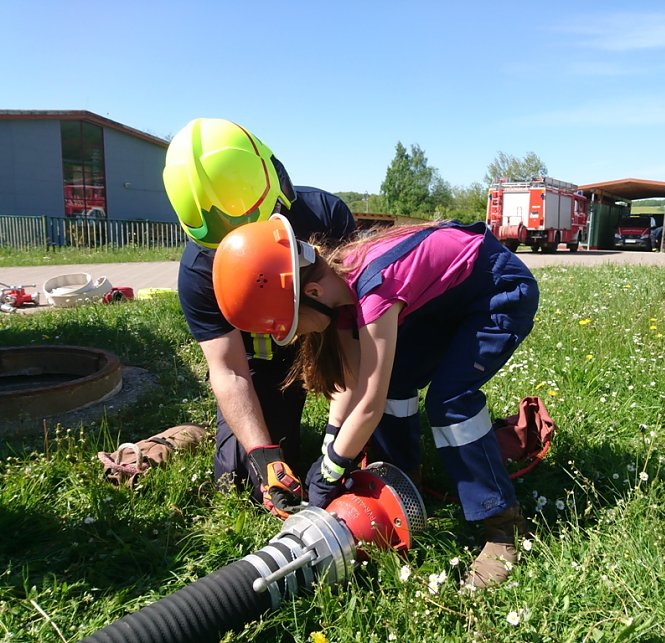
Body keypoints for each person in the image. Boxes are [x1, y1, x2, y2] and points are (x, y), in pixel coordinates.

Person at [211, 215, 540, 588]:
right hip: (452, 303)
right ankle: (405, 482)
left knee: (450, 402)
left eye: (293, 327)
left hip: (499, 293)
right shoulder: (341, 293)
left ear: (313, 295)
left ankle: (503, 526)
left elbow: (368, 402)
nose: (297, 337)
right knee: (396, 381)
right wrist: (330, 448)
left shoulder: (375, 290)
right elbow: (353, 386)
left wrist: (331, 469)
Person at [163, 118, 355, 519]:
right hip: (260, 367)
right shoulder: (199, 271)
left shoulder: (325, 217)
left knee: (360, 456)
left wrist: (341, 440)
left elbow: (353, 335)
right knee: (243, 481)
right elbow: (229, 369)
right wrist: (265, 456)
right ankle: (193, 436)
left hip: (323, 340)